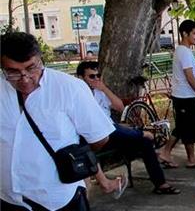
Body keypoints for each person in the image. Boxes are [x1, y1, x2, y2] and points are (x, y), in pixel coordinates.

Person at [1, 32, 112, 210]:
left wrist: (72, 153)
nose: (25, 78)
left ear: (41, 60)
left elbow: (99, 138)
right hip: (9, 199)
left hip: (59, 198)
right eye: (13, 72)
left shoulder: (69, 88)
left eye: (31, 68)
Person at [76, 62, 180, 196]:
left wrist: (104, 89)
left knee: (145, 143)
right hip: (99, 136)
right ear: (81, 78)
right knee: (123, 131)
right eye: (91, 77)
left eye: (98, 76)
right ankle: (141, 134)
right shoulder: (80, 95)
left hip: (113, 132)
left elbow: (120, 107)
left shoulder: (100, 92)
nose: (96, 79)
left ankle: (160, 183)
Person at [159, 20, 195, 169]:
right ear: (184, 34)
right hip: (184, 96)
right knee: (185, 127)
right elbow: (189, 76)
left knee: (185, 127)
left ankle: (182, 156)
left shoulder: (184, 51)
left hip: (184, 95)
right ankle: (169, 152)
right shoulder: (184, 52)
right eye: (194, 33)